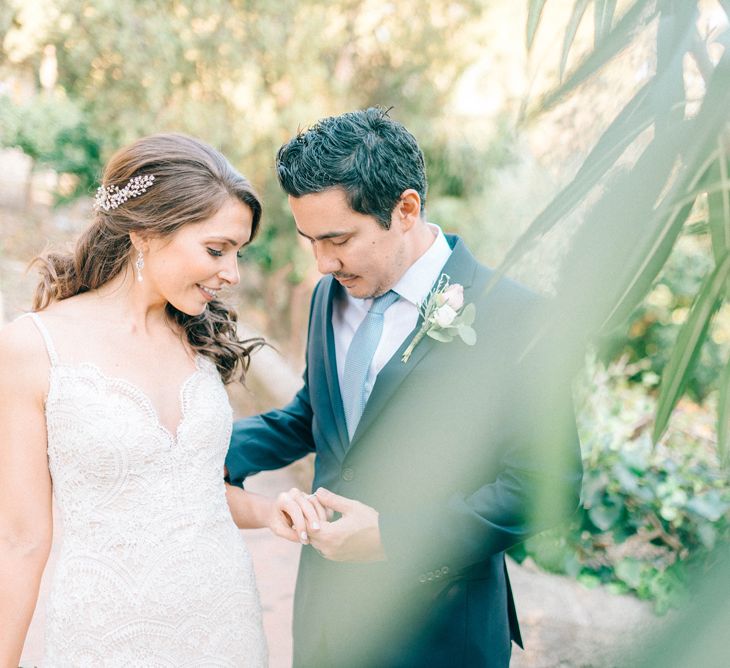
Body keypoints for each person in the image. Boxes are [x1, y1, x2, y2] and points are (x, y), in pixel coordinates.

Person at [225, 108, 584, 667]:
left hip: (440, 630)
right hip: (324, 619)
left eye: (338, 238)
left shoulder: (515, 318)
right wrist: (201, 448)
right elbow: (319, 416)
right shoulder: (330, 296)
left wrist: (394, 537)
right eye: (310, 241)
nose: (322, 263)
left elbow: (545, 485)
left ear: (406, 208)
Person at [0, 133, 274, 666]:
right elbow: (20, 541)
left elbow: (192, 492)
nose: (232, 273)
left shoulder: (200, 338)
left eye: (238, 253)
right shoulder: (32, 347)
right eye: (216, 250)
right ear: (146, 234)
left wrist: (269, 509)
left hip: (226, 625)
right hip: (105, 635)